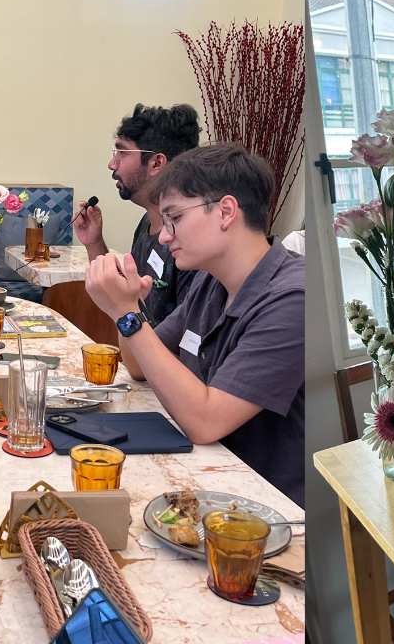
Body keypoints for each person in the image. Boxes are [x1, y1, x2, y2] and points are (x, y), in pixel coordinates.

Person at [86, 143, 305, 506]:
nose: (164, 235)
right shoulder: (211, 280)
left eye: (175, 217)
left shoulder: (293, 299)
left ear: (226, 211)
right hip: (207, 478)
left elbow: (205, 422)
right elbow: (138, 366)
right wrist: (128, 306)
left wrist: (127, 315)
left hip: (265, 509)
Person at [74, 104, 200, 325]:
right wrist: (95, 243)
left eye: (122, 153)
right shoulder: (147, 223)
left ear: (156, 163)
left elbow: (185, 336)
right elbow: (125, 299)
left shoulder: (189, 240)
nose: (112, 164)